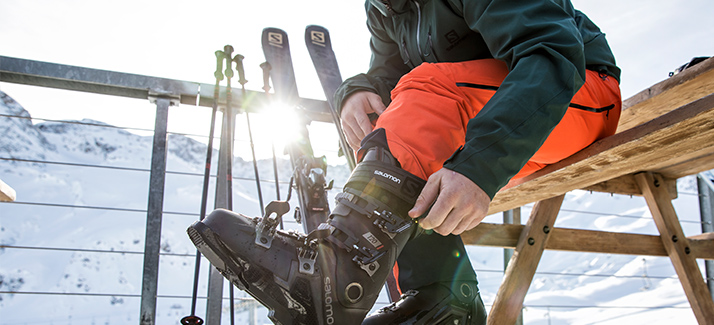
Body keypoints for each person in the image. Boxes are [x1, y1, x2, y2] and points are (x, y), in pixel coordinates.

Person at [188, 0, 621, 324]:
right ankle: (441, 300)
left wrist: (480, 167)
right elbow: (392, 79)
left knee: (426, 91)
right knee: (386, 125)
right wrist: (357, 90)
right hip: (489, 109)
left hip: (576, 91)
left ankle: (337, 273)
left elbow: (553, 52)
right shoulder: (384, 7)